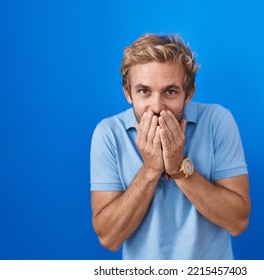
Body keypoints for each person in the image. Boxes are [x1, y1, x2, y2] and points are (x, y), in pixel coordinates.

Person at [90, 33, 251, 260]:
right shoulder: (108, 134)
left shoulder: (218, 121)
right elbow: (109, 238)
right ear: (128, 93)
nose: (156, 107)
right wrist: (150, 170)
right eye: (144, 91)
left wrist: (179, 169)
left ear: (189, 94)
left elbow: (238, 222)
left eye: (170, 91)